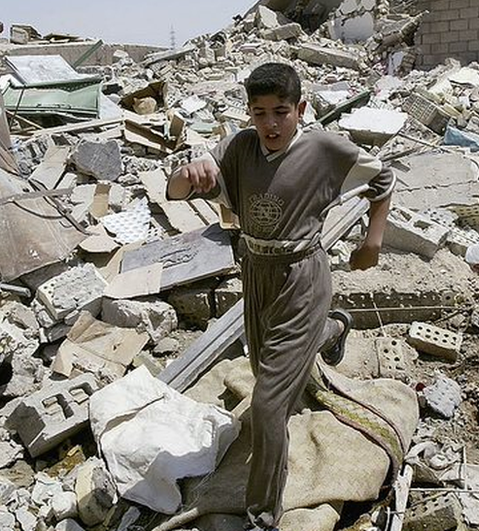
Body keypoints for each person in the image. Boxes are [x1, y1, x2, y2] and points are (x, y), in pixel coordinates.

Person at [166, 62, 394, 530]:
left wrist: (372, 241)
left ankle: (262, 513)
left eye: (281, 112)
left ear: (301, 109)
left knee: (268, 403)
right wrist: (190, 165)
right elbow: (175, 191)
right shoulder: (238, 148)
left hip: (302, 274)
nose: (270, 124)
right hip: (256, 272)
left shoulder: (325, 149)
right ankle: (332, 329)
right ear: (248, 113)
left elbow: (383, 180)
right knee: (259, 366)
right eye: (259, 112)